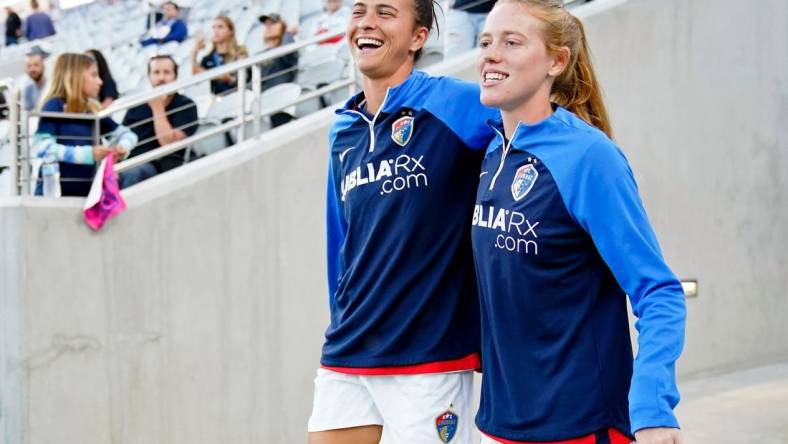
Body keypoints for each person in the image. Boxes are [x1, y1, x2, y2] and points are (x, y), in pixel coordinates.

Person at [471, 1, 687, 443]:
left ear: (557, 61)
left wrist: (653, 406)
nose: (492, 54)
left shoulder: (590, 158)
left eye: (512, 42)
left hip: (580, 425)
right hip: (499, 424)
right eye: (486, 41)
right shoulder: (491, 152)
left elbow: (658, 291)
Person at [308, 1, 497, 443]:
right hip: (349, 347)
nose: (367, 22)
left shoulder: (457, 104)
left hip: (428, 355)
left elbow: (541, 134)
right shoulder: (345, 131)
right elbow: (343, 245)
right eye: (359, 10)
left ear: (418, 37)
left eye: (385, 12)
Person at [33, 53, 137, 197]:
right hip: (55, 198)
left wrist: (122, 148)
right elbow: (43, 148)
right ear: (75, 77)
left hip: (88, 196)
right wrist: (88, 154)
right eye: (94, 75)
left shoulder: (92, 110)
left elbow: (128, 134)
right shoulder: (54, 106)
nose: (100, 82)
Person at [120, 55, 198, 188]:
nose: (161, 78)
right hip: (131, 161)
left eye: (167, 72)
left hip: (161, 165)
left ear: (175, 76)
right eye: (156, 72)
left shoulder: (186, 105)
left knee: (133, 174)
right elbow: (120, 138)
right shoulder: (136, 107)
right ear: (149, 76)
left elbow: (168, 143)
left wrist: (157, 107)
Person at [257, 13, 299, 127]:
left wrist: (288, 33)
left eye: (273, 23)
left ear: (283, 27)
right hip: (261, 105)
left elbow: (287, 50)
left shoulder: (287, 48)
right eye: (266, 24)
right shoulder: (259, 55)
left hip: (281, 106)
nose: (268, 26)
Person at [191, 16, 248, 96]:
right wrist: (194, 52)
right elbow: (197, 77)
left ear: (230, 31)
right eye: (214, 27)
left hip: (238, 96)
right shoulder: (208, 58)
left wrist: (212, 75)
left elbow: (242, 78)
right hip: (219, 99)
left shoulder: (240, 51)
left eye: (220, 27)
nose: (216, 31)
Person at [21, 46, 48, 111]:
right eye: (29, 66)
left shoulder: (51, 85)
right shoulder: (27, 89)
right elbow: (26, 111)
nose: (32, 69)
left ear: (43, 66)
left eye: (36, 65)